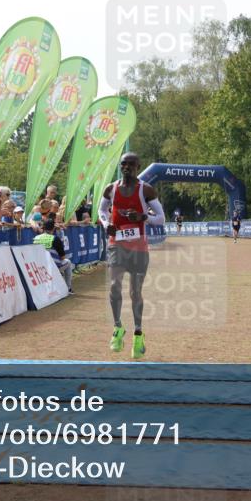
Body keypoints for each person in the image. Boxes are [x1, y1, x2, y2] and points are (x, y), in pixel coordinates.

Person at [99, 152, 165, 360]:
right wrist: (106, 224)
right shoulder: (111, 189)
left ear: (138, 166)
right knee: (114, 286)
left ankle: (138, 333)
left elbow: (161, 218)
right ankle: (118, 328)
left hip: (138, 248)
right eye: (123, 164)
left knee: (135, 292)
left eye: (131, 165)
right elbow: (101, 212)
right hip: (116, 244)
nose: (126, 168)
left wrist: (144, 217)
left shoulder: (146, 189)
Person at [33, 218, 73, 292]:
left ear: (43, 228)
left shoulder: (36, 238)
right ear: (53, 228)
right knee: (68, 262)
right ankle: (68, 288)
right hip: (52, 267)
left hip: (38, 266)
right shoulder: (55, 238)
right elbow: (62, 257)